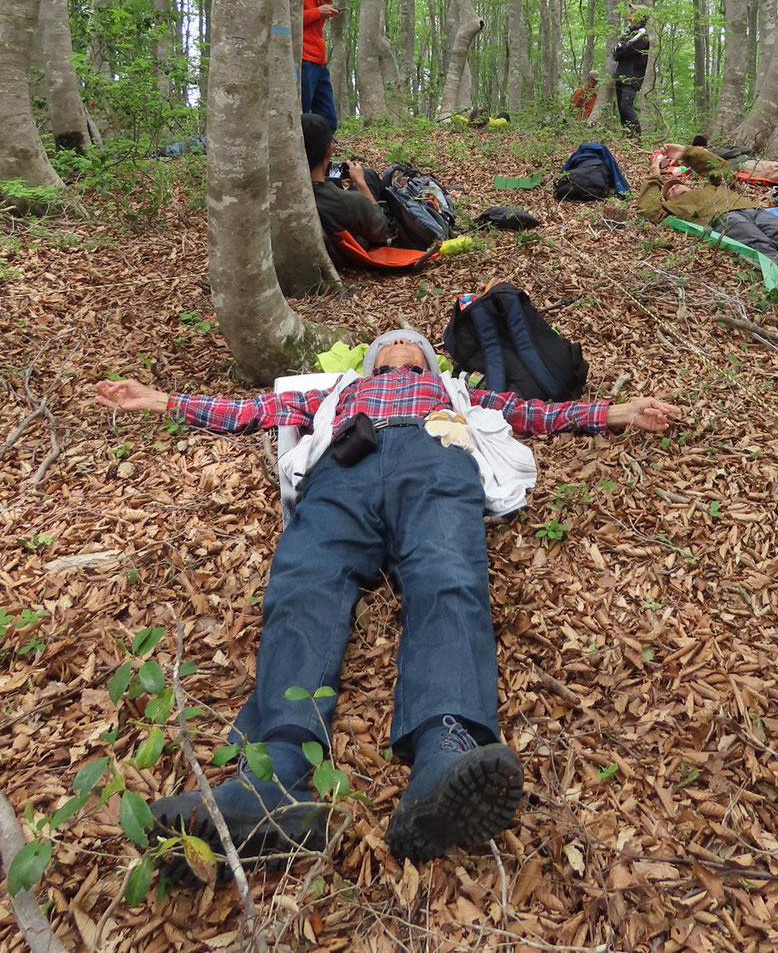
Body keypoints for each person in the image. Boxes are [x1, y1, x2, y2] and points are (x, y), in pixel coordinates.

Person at [95, 335, 681, 870]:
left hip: (436, 454)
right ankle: (271, 782)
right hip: (345, 465)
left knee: (447, 577)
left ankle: (444, 751)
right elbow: (252, 411)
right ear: (371, 362)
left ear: (429, 361)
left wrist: (620, 412)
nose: (400, 346)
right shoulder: (338, 391)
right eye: (388, 344)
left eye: (412, 344)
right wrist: (160, 401)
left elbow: (530, 414)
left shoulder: (456, 392)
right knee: (302, 586)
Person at [638, 143, 778, 294]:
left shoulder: (714, 186)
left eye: (676, 183)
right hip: (723, 217)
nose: (674, 187)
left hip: (751, 208)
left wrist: (687, 152)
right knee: (760, 243)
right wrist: (655, 171)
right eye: (669, 190)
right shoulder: (671, 207)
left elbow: (721, 168)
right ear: (665, 198)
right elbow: (649, 210)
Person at [302, 113, 390, 267]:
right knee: (369, 177)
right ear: (329, 150)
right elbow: (380, 230)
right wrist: (361, 184)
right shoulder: (351, 201)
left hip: (320, 191)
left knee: (367, 173)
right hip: (354, 238)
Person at [299, 0, 347, 131]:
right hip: (303, 59)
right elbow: (286, 20)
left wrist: (322, 9)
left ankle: (322, 157)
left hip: (319, 61)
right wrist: (318, 11)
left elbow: (312, 29)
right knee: (302, 117)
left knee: (328, 121)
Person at [611, 7, 650, 138]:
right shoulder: (627, 32)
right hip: (620, 75)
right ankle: (628, 137)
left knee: (626, 106)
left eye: (633, 13)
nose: (630, 15)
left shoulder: (642, 34)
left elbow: (628, 50)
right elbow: (616, 54)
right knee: (621, 109)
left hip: (632, 76)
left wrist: (622, 48)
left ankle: (637, 137)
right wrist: (622, 48)